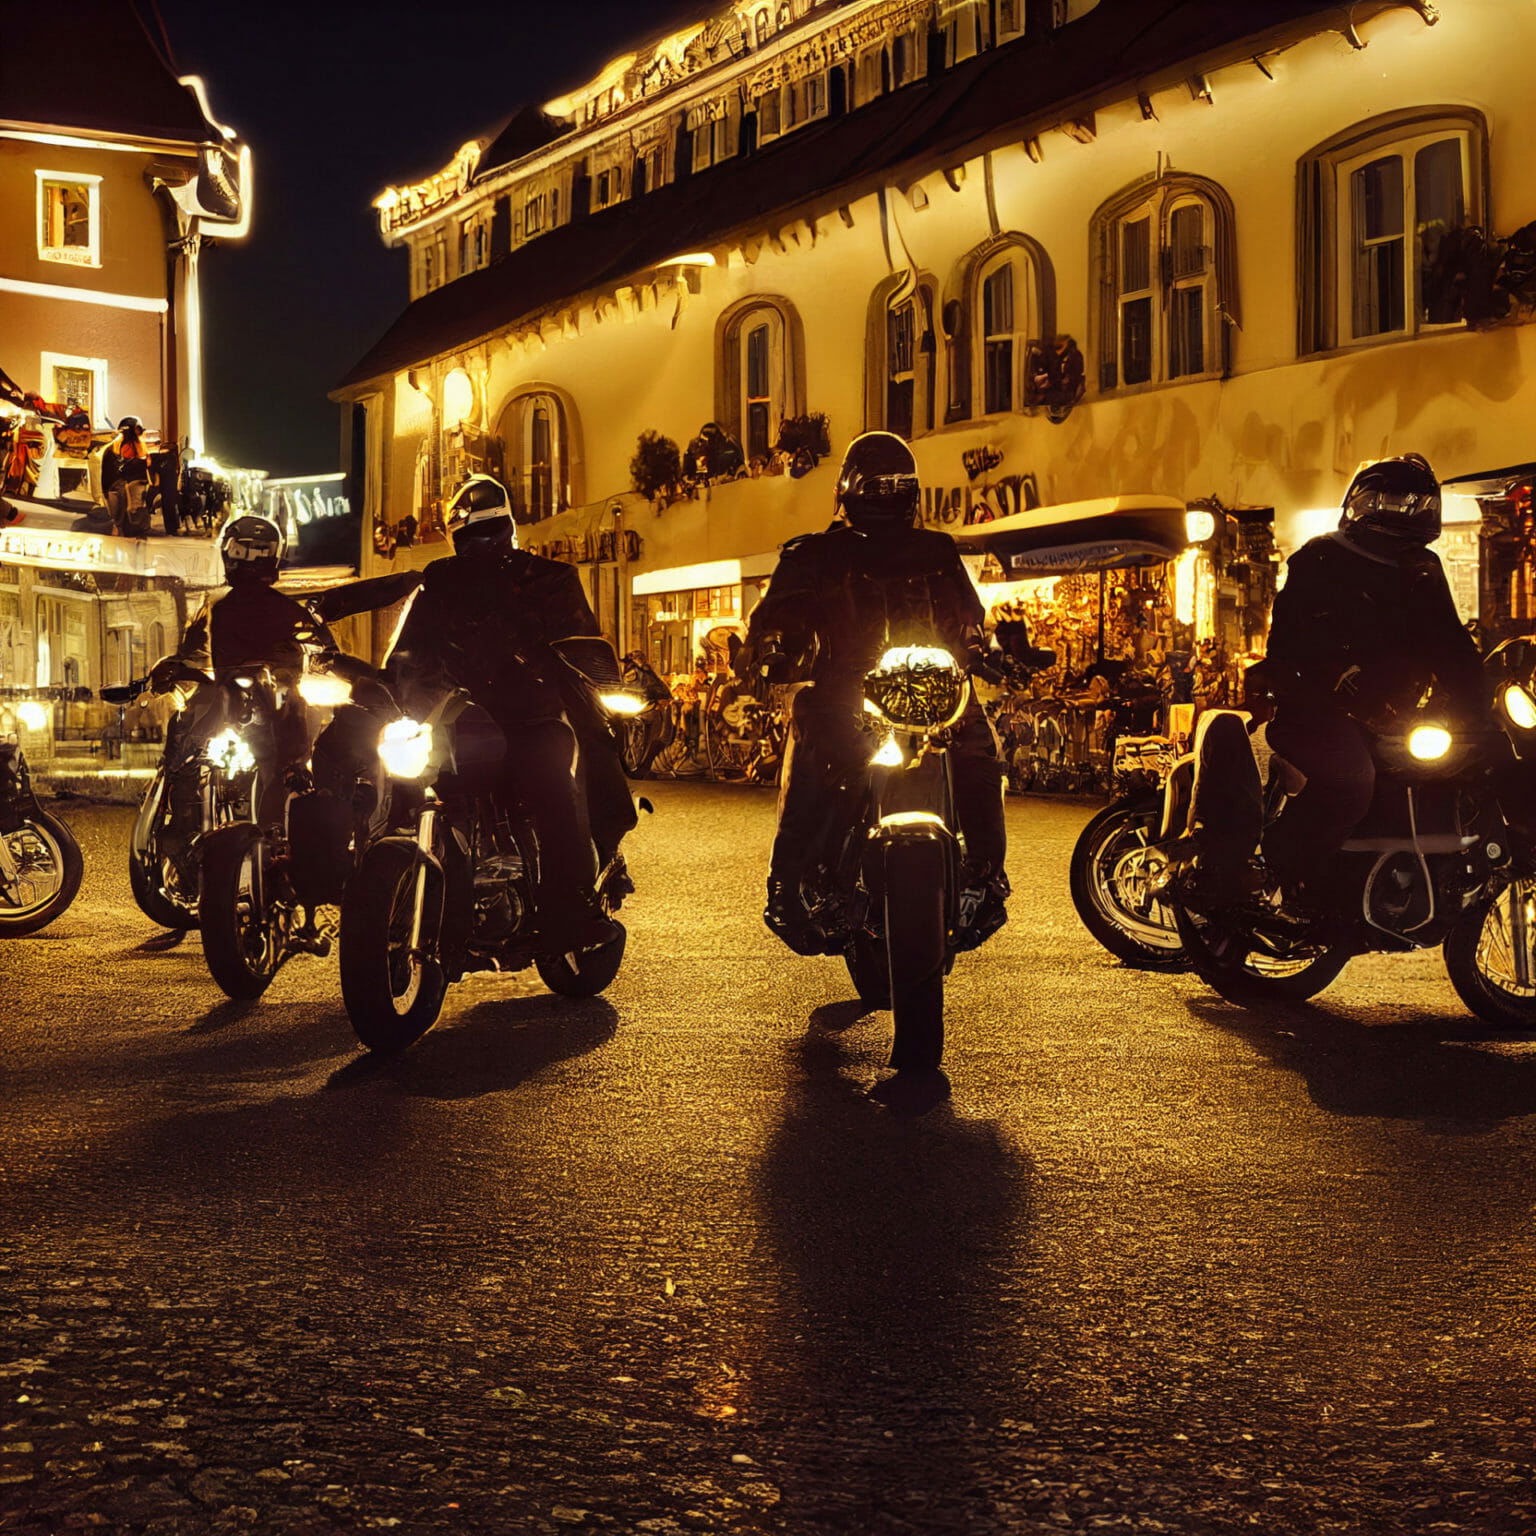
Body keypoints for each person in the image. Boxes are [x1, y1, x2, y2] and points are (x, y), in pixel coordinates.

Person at [735, 430, 1012, 953]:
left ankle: (984, 873)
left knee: (978, 755)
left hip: (933, 685)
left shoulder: (936, 551)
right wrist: (770, 649)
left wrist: (984, 648)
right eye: (880, 486)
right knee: (817, 741)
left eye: (894, 486)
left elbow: (968, 617)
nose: (887, 495)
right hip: (849, 688)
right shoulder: (814, 554)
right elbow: (778, 615)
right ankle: (791, 879)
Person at [386, 474, 635, 951]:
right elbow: (407, 653)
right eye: (471, 532)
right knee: (401, 775)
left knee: (554, 789)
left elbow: (579, 642)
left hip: (533, 717)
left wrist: (594, 682)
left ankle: (574, 912)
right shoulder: (438, 584)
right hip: (456, 718)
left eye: (488, 528)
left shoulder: (550, 579)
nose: (480, 540)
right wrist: (387, 693)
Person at [1256, 453, 1484, 907]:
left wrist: (1481, 701)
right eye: (1390, 500)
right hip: (1318, 709)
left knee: (1465, 764)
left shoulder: (1423, 567)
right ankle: (1279, 871)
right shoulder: (1321, 557)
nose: (1400, 509)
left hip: (1395, 715)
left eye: (1411, 502)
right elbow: (1289, 640)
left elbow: (1449, 642)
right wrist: (1336, 678)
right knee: (1351, 780)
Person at [151, 514, 326, 833]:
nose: (249, 561)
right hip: (237, 707)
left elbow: (322, 654)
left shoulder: (278, 610)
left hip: (268, 710)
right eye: (245, 552)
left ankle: (284, 830)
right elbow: (191, 653)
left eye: (254, 552)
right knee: (187, 740)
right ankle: (178, 813)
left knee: (300, 762)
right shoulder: (224, 606)